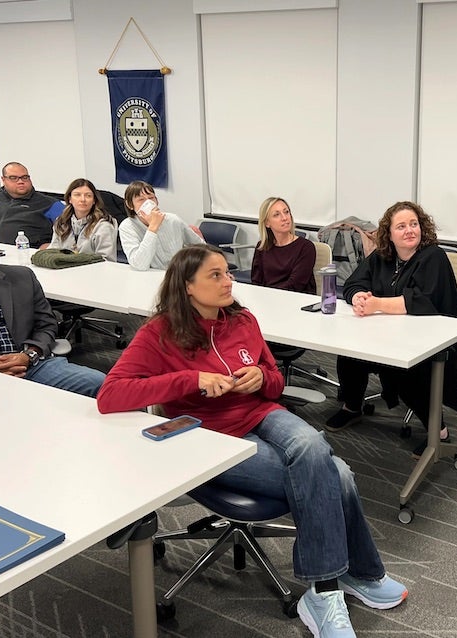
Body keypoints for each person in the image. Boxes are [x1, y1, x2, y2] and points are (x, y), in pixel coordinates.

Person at [96, 244, 407, 638]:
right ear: (187, 286)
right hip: (210, 437)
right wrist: (190, 380)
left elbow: (275, 382)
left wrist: (263, 377)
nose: (229, 281)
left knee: (314, 450)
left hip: (261, 414)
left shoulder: (242, 319)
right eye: (215, 275)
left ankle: (333, 586)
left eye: (228, 272)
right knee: (337, 474)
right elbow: (110, 396)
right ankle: (341, 583)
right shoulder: (160, 332)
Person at [324, 201, 457, 458]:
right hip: (389, 332)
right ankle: (352, 406)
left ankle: (440, 432)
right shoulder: (381, 256)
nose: (409, 230)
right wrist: (358, 296)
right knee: (350, 352)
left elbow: (421, 301)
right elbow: (354, 283)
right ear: (389, 233)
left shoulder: (433, 256)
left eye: (414, 224)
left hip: (436, 339)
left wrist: (376, 304)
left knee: (408, 371)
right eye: (401, 226)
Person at [0, 233, 105, 397]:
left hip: (29, 364)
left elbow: (46, 324)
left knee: (102, 385)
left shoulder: (22, 277)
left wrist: (29, 355)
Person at [118, 180, 203, 270]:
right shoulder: (127, 226)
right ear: (130, 205)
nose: (148, 203)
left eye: (151, 198)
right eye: (141, 200)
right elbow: (139, 265)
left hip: (177, 274)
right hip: (147, 277)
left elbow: (202, 247)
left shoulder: (173, 220)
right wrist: (153, 227)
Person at [251, 196, 317, 293]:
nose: (284, 218)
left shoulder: (306, 247)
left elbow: (295, 285)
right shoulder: (262, 247)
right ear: (267, 223)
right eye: (276, 215)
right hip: (267, 299)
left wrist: (269, 295)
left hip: (296, 300)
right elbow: (256, 282)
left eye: (286, 212)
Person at [48, 178, 118, 261]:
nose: (83, 200)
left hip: (94, 271)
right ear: (70, 199)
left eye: (88, 196)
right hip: (64, 269)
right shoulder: (61, 222)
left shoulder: (104, 226)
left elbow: (107, 260)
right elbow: (53, 251)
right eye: (77, 195)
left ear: (94, 200)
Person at [0, 162, 59, 248]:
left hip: (27, 254)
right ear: (3, 179)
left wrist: (51, 247)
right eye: (13, 178)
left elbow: (70, 233)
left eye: (24, 177)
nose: (20, 181)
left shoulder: (49, 203)